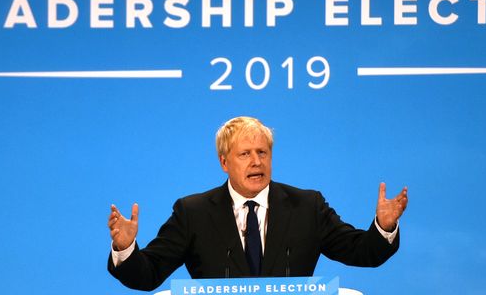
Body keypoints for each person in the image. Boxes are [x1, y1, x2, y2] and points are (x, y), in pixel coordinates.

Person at [107, 116, 408, 291]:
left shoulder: (306, 206)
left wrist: (384, 226)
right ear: (224, 162)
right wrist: (125, 248)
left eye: (262, 153)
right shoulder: (193, 212)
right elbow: (147, 275)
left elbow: (362, 252)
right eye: (245, 154)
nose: (256, 162)